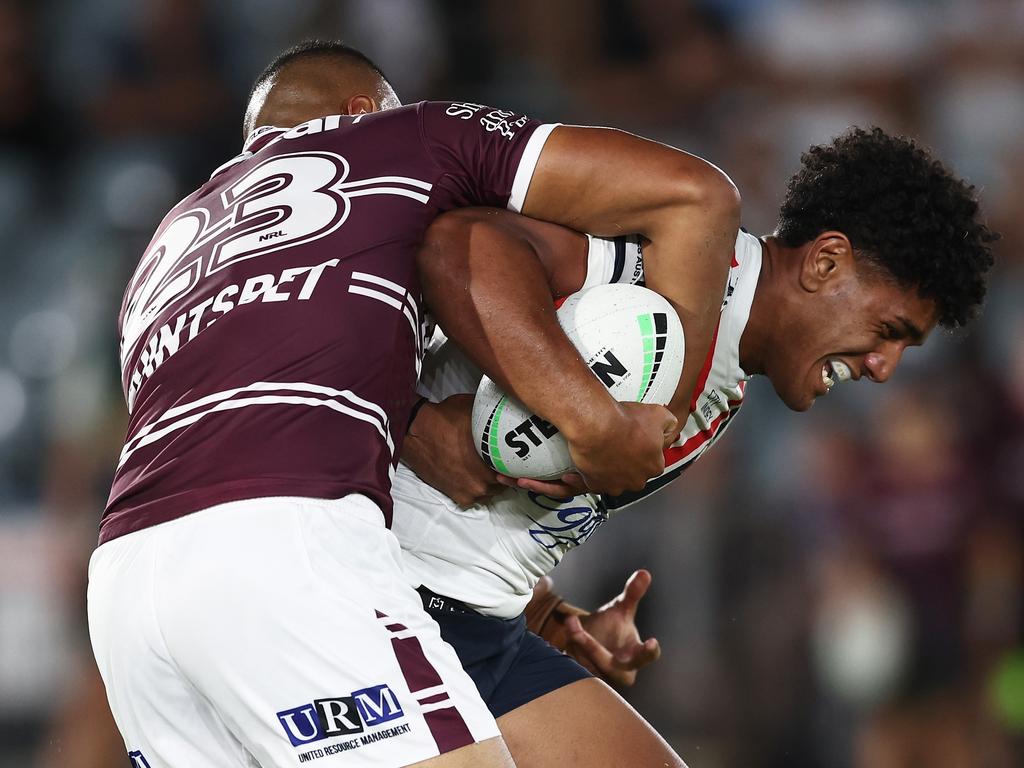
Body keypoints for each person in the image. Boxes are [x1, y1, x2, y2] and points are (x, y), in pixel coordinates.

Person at [87, 40, 741, 768]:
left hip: (124, 583)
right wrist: (621, 428)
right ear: (364, 110)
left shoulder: (168, 244)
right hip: (286, 544)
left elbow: (244, 404)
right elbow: (695, 194)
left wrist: (537, 604)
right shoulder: (402, 137)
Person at [389, 129, 996, 767]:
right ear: (826, 262)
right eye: (888, 330)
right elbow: (463, 247)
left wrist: (549, 613)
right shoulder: (683, 271)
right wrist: (582, 419)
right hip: (392, 592)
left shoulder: (730, 368)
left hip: (486, 623)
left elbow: (515, 482)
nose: (884, 367)